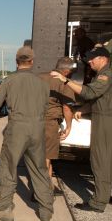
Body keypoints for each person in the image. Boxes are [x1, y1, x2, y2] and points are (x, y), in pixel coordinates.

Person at [0, 46, 53, 221]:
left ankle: (4, 209)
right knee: (39, 168)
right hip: (38, 127)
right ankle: (46, 210)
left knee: (8, 167)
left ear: (16, 61)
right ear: (32, 62)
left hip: (17, 127)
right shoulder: (43, 83)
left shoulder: (10, 80)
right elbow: (45, 107)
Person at [51, 46, 112, 212]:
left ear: (103, 59)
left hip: (105, 121)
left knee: (100, 160)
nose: (90, 62)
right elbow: (100, 100)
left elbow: (89, 93)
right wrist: (83, 110)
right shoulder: (105, 75)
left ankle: (98, 202)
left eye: (93, 58)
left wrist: (65, 81)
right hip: (111, 119)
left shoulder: (104, 75)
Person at [38, 57, 76, 194]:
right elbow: (67, 108)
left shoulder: (39, 77)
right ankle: (40, 192)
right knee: (46, 157)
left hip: (32, 122)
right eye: (71, 72)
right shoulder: (64, 82)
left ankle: (49, 187)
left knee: (41, 157)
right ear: (66, 71)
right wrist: (69, 126)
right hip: (49, 123)